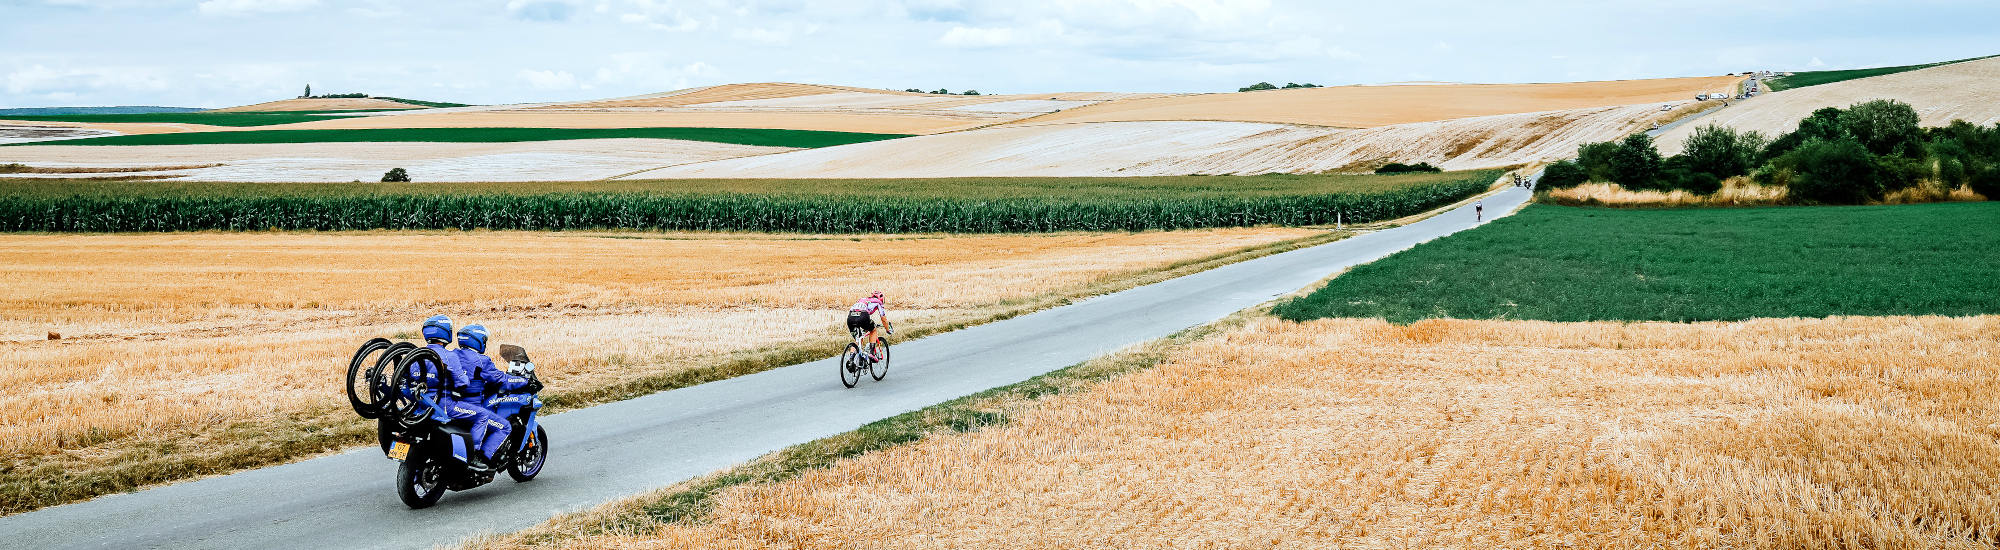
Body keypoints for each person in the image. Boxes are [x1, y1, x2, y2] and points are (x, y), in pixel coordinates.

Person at [440, 324, 529, 470]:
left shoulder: (452, 354)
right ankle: (482, 457)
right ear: (478, 340)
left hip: (453, 403)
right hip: (473, 405)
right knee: (504, 427)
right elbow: (502, 379)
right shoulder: (481, 360)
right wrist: (523, 380)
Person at [847, 291, 893, 361]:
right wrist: (887, 329)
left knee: (858, 338)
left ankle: (851, 359)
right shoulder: (878, 302)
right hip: (863, 316)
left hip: (851, 317)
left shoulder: (862, 299)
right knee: (873, 330)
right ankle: (871, 353)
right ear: (881, 298)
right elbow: (883, 318)